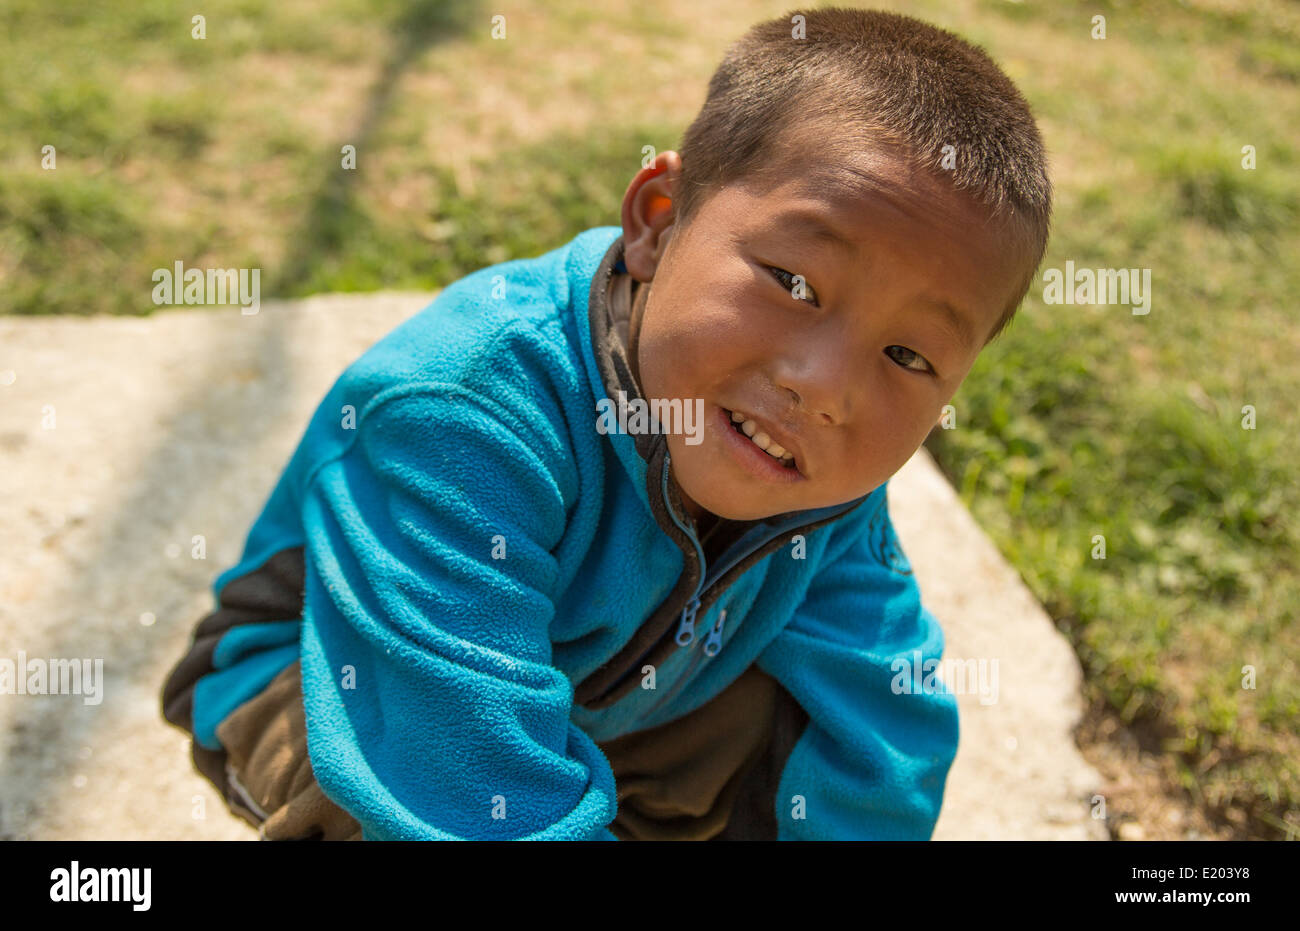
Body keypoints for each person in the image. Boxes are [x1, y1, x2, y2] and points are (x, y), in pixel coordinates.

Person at [161, 6, 1051, 841]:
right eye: (794, 283)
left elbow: (887, 712)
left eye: (908, 357)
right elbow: (460, 769)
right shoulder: (467, 409)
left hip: (604, 695)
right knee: (376, 797)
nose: (825, 388)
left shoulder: (821, 469)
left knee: (793, 730)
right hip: (341, 675)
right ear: (657, 225)